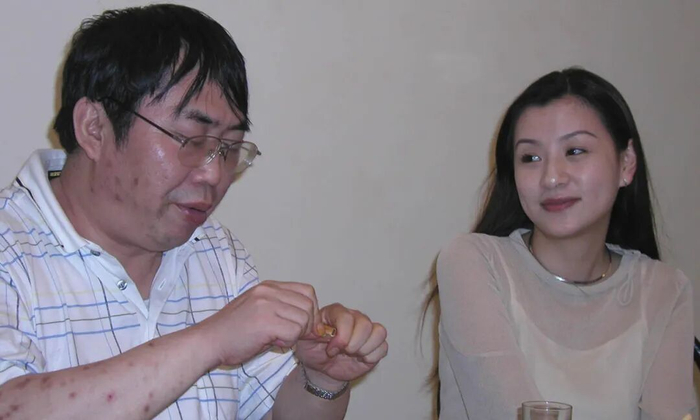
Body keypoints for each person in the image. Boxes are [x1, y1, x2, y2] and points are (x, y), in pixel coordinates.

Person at [0, 4, 387, 419]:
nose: (214, 175)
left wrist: (321, 378)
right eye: (190, 139)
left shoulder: (216, 252)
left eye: (230, 148)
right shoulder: (10, 249)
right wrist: (211, 341)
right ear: (95, 127)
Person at [432, 68, 695, 419]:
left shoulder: (665, 290)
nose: (552, 177)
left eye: (575, 150)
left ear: (626, 163)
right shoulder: (474, 263)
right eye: (530, 157)